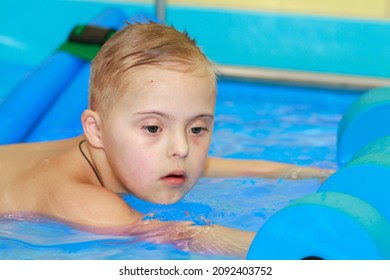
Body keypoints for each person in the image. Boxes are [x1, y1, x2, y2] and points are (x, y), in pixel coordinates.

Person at [0, 21, 334, 259]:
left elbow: (229, 166)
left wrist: (314, 174)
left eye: (197, 129)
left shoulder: (132, 154)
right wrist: (321, 254)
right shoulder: (84, 198)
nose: (182, 149)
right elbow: (186, 235)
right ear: (96, 131)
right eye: (153, 128)